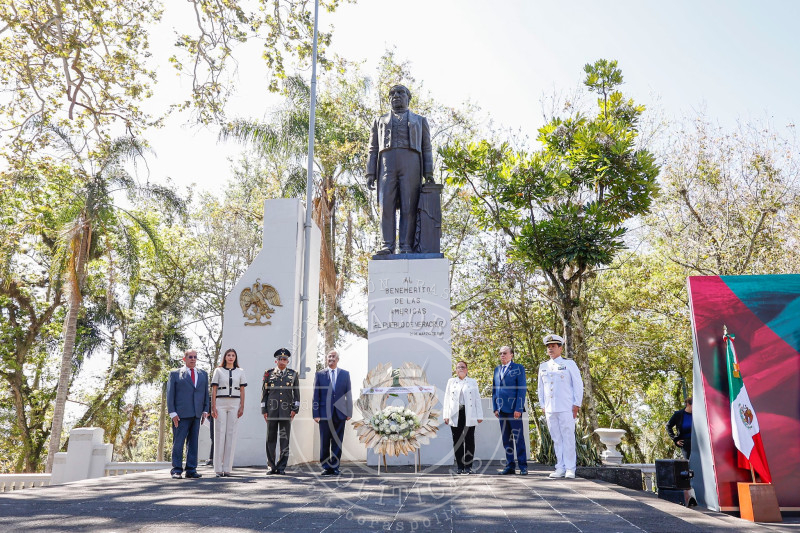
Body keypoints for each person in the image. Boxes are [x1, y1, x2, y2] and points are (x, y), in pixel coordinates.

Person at [366, 84, 434, 255]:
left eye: (400, 92)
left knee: (408, 205)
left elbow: (427, 147)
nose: (396, 95)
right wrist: (370, 173)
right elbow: (373, 148)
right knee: (386, 205)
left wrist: (428, 172)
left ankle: (405, 246)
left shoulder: (420, 120)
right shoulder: (379, 121)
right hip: (386, 164)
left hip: (411, 163)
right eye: (392, 93)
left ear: (408, 98)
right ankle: (387, 245)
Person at [537, 334, 584, 479]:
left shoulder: (569, 364)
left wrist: (576, 404)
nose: (550, 349)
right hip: (550, 408)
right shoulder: (543, 366)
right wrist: (543, 405)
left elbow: (578, 385)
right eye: (548, 347)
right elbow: (541, 388)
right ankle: (560, 467)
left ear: (560, 348)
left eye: (553, 346)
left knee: (568, 437)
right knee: (556, 438)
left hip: (566, 407)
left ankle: (570, 468)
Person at [167, 349, 210, 479]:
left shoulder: (203, 374)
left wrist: (205, 410)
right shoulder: (175, 374)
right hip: (180, 415)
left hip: (197, 414)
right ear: (184, 358)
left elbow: (205, 393)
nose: (193, 359)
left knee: (193, 443)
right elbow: (170, 394)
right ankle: (176, 470)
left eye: (195, 357)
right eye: (190, 357)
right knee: (178, 443)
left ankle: (191, 469)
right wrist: (172, 412)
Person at [312, 349, 353, 476]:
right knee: (324, 441)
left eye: (333, 356)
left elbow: (348, 394)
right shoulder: (319, 374)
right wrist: (315, 414)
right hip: (324, 414)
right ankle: (326, 467)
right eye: (329, 356)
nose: (331, 358)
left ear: (338, 359)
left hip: (340, 413)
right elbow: (316, 395)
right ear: (326, 359)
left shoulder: (345, 374)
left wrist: (349, 412)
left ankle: (335, 467)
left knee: (337, 441)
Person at [261, 348, 300, 475]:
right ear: (276, 361)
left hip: (286, 412)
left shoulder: (293, 374)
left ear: (287, 361)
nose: (282, 361)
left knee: (284, 439)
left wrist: (295, 409)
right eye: (280, 359)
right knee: (270, 439)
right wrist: (264, 410)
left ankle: (282, 466)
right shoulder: (268, 374)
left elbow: (296, 394)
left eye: (284, 359)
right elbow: (264, 393)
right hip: (271, 411)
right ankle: (271, 466)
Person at [210, 348, 247, 477]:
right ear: (225, 357)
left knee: (231, 434)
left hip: (235, 403)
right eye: (228, 355)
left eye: (233, 355)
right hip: (220, 402)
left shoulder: (240, 371)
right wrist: (213, 406)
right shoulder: (218, 371)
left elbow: (242, 390)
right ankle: (218, 468)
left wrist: (242, 406)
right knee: (219, 434)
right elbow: (214, 389)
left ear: (235, 358)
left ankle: (227, 468)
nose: (231, 357)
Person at [492, 345, 528, 475]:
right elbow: (494, 390)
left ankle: (523, 466)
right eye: (500, 353)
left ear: (511, 355)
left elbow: (522, 389)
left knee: (518, 439)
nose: (502, 355)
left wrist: (519, 408)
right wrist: (495, 408)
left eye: (505, 353)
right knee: (506, 440)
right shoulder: (497, 370)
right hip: (501, 410)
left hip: (514, 410)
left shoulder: (518, 368)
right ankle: (510, 465)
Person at [443, 361, 483, 474]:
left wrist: (479, 415)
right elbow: (446, 399)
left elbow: (477, 399)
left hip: (469, 412)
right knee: (457, 440)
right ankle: (460, 466)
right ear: (455, 370)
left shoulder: (472, 382)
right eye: (458, 367)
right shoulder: (451, 381)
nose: (460, 368)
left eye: (463, 367)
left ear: (467, 369)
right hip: (455, 413)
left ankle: (468, 466)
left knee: (469, 439)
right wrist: (446, 415)